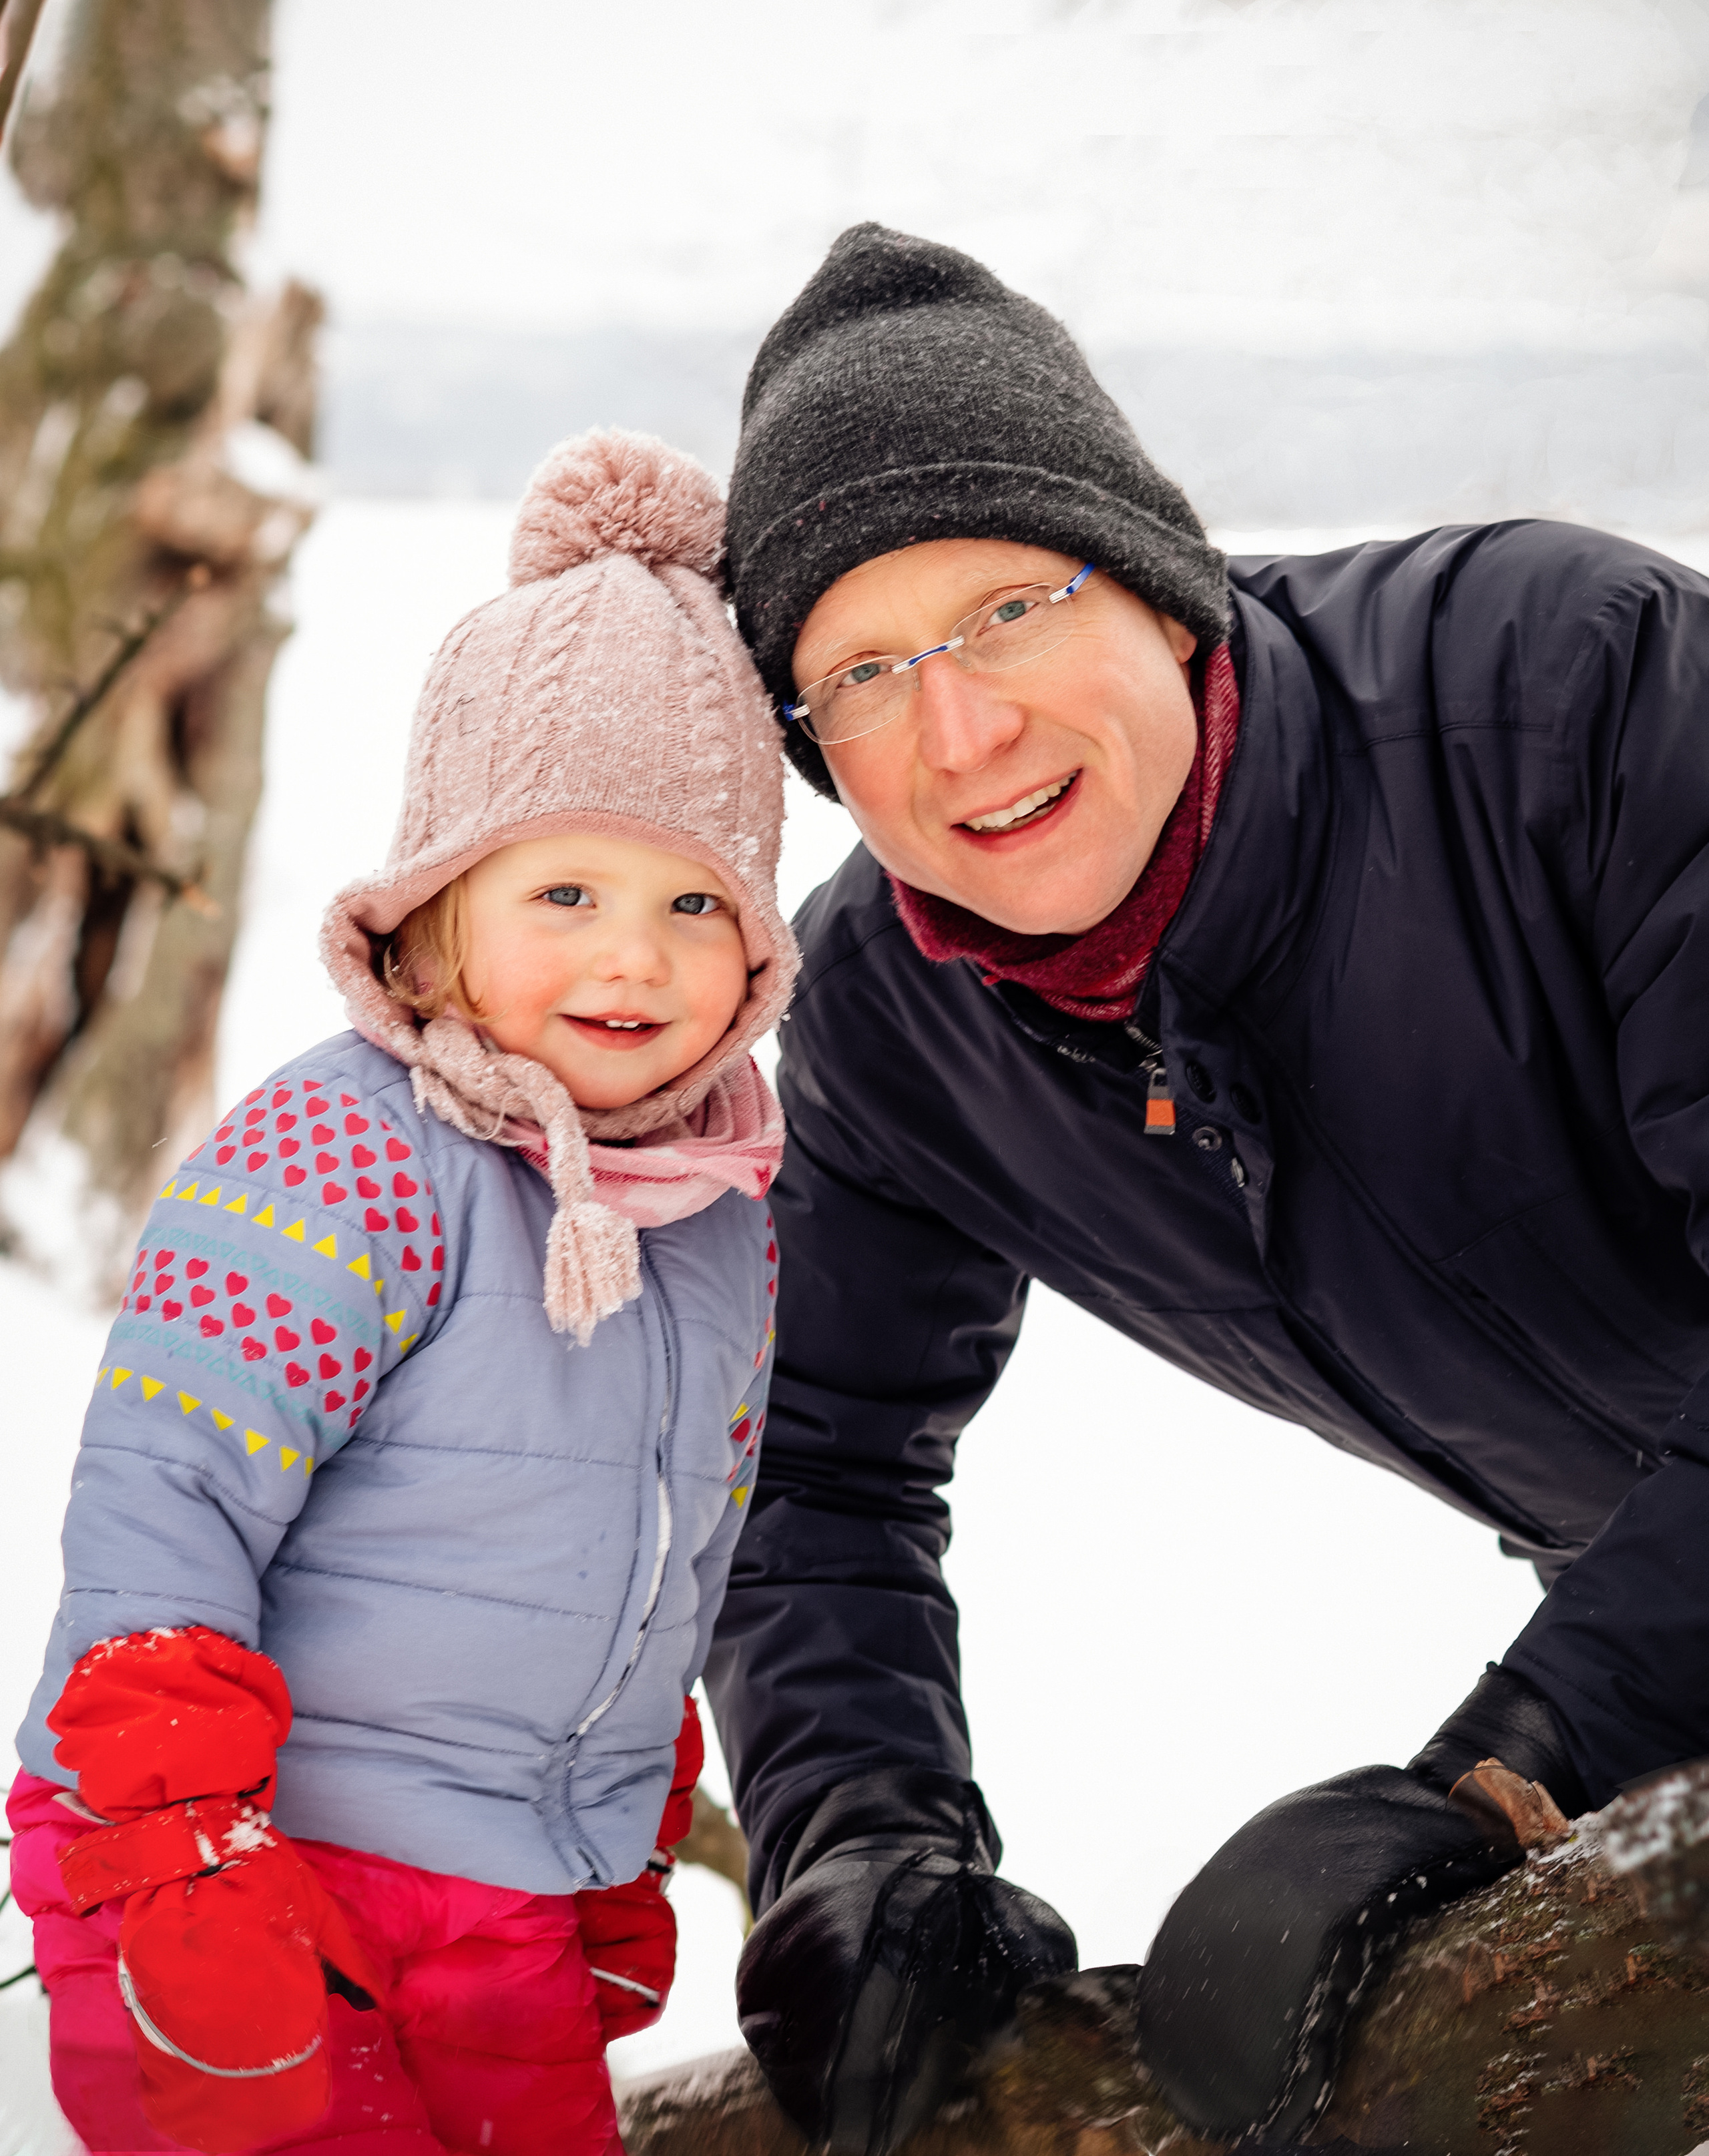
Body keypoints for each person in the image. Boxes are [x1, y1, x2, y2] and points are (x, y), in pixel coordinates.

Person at [702, 222, 1709, 2153]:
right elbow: (811, 1465)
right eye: (864, 674)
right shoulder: (893, 1027)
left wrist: (1530, 1758)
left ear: (1158, 588)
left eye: (1008, 609)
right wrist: (859, 1848)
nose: (963, 731)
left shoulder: (1568, 696)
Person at [7, 431, 798, 2156]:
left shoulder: (718, 1204)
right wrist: (173, 1840)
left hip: (503, 1892)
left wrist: (623, 1810)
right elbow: (172, 1484)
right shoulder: (348, 1150)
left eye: (694, 900)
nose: (633, 953)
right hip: (240, 1867)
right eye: (565, 891)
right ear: (437, 916)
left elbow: (676, 1535)